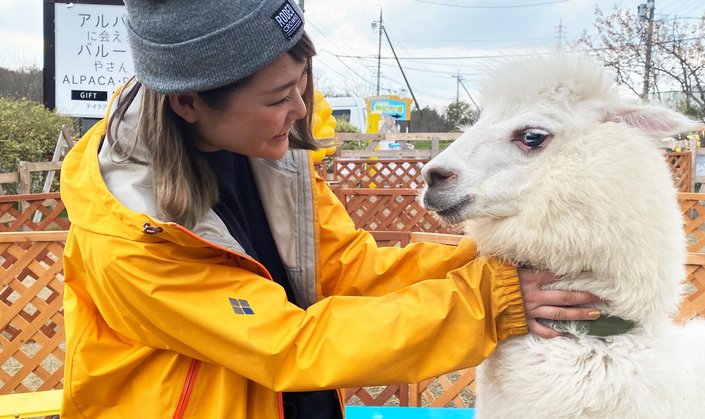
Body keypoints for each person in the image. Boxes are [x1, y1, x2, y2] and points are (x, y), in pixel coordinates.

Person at [59, 1, 601, 418]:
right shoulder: (130, 235)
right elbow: (289, 345)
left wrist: (490, 264)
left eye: (302, 85)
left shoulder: (272, 159)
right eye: (276, 98)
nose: (298, 111)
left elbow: (349, 271)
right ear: (188, 102)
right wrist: (487, 302)